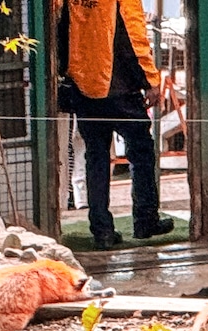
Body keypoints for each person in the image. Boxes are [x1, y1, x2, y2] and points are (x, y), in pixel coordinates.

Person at [57, 0, 176, 250]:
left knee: (96, 158)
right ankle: (145, 220)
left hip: (84, 88)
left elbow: (61, 29)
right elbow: (134, 35)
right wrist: (151, 80)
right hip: (120, 88)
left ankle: (102, 231)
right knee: (141, 152)